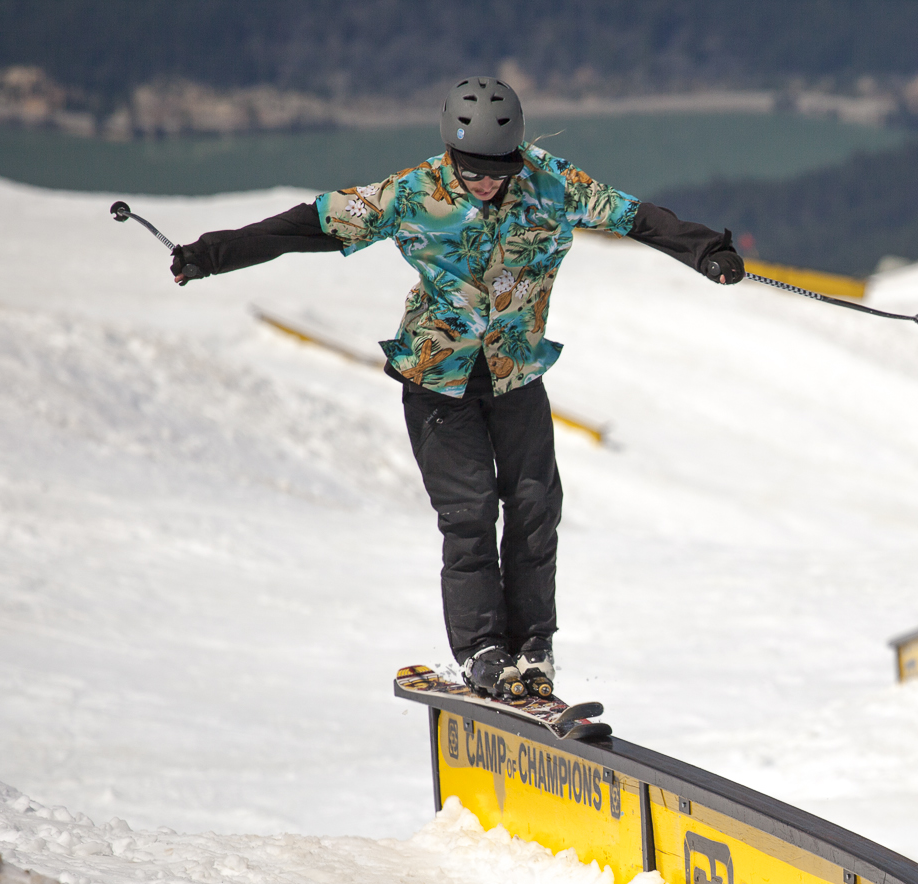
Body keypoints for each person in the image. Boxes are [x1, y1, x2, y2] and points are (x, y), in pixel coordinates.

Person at [164, 76, 744, 699]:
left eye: (498, 169)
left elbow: (637, 218)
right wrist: (214, 253)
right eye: (472, 170)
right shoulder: (413, 193)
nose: (487, 182)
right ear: (451, 154)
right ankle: (484, 650)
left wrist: (707, 251)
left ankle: (533, 647)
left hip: (516, 374)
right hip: (437, 380)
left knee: (534, 507)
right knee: (469, 515)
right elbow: (312, 225)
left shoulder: (552, 183)